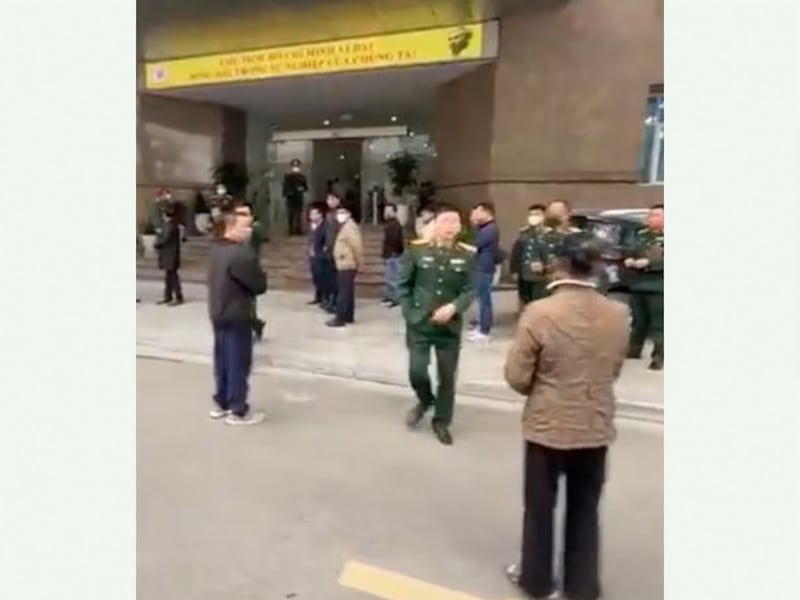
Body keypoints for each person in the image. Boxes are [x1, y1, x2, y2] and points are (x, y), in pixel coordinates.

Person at [503, 232, 629, 600]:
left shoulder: (541, 312)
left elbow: (516, 375)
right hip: (595, 423)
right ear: (596, 268)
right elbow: (614, 368)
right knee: (586, 509)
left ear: (559, 264)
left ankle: (537, 580)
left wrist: (542, 389)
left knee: (540, 508)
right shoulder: (618, 313)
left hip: (548, 425)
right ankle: (582, 586)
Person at [398, 204, 475, 446]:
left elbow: (470, 289)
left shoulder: (467, 254)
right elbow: (403, 285)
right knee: (417, 371)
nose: (451, 227)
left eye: (455, 223)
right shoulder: (417, 251)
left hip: (449, 327)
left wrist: (454, 307)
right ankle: (425, 398)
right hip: (420, 323)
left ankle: (441, 421)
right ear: (435, 225)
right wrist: (409, 313)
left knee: (447, 377)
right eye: (446, 222)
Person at [207, 200, 268, 426]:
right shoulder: (241, 254)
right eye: (244, 228)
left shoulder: (215, 250)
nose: (249, 231)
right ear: (231, 228)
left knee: (222, 360)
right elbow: (259, 285)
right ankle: (237, 409)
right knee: (238, 362)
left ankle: (221, 403)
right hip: (237, 313)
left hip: (218, 311)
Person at [623, 204, 664, 370]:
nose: (653, 218)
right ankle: (634, 350)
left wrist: (650, 263)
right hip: (639, 283)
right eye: (651, 215)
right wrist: (629, 259)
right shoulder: (640, 235)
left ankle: (659, 356)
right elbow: (630, 250)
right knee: (639, 320)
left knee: (658, 323)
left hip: (660, 285)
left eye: (657, 215)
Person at [327, 205, 363, 327]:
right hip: (344, 263)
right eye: (338, 212)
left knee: (343, 292)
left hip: (347, 263)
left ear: (349, 213)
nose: (339, 215)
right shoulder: (345, 226)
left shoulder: (350, 227)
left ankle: (340, 317)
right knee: (347, 292)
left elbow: (356, 246)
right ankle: (348, 315)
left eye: (342, 212)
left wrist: (358, 261)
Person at [468, 202, 500, 342]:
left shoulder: (490, 229)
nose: (474, 216)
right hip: (479, 267)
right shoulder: (483, 228)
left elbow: (475, 245)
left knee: (484, 300)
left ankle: (484, 330)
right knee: (480, 299)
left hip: (484, 267)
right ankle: (480, 326)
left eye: (477, 212)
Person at [509, 204, 549, 307]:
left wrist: (545, 267)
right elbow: (516, 252)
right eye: (531, 214)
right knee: (525, 301)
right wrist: (514, 270)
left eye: (537, 214)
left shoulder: (548, 234)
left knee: (540, 302)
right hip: (524, 275)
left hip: (542, 277)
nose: (533, 217)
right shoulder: (524, 233)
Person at [540, 199, 581, 286]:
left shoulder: (578, 237)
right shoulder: (539, 237)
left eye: (559, 213)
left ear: (568, 214)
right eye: (552, 213)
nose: (555, 217)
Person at [245, 201, 266, 341]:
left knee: (249, 301)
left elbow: (263, 237)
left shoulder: (256, 227)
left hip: (250, 266)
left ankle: (254, 324)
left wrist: (252, 228)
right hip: (237, 265)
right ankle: (255, 324)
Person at [154, 205, 184, 306]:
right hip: (171, 255)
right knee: (169, 277)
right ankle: (168, 296)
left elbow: (164, 239)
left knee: (173, 277)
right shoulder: (172, 225)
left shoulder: (169, 226)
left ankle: (178, 297)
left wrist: (157, 242)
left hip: (169, 255)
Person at [320, 193, 342, 314]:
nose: (330, 201)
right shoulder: (329, 214)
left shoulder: (339, 215)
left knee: (335, 278)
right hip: (329, 249)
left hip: (337, 248)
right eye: (328, 199)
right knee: (329, 277)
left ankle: (335, 302)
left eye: (332, 199)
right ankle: (330, 299)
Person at [381, 203, 405, 308]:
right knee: (389, 276)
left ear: (394, 212)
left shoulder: (395, 224)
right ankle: (390, 296)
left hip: (393, 253)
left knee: (393, 277)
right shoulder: (389, 223)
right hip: (389, 252)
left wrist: (395, 252)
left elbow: (396, 240)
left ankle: (395, 298)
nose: (386, 212)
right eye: (385, 210)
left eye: (389, 210)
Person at [307, 204, 328, 305]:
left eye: (314, 214)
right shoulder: (311, 226)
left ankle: (325, 297)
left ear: (320, 215)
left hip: (321, 255)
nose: (312, 216)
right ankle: (318, 296)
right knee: (315, 276)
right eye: (311, 214)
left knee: (322, 276)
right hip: (313, 254)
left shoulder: (325, 226)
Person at [283, 159, 308, 236]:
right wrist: (288, 193)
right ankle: (291, 229)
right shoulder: (288, 177)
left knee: (299, 214)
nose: (295, 167)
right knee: (291, 214)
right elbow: (285, 187)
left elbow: (305, 187)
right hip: (290, 198)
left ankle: (298, 229)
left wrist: (302, 189)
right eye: (294, 165)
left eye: (297, 165)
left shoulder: (302, 177)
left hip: (299, 198)